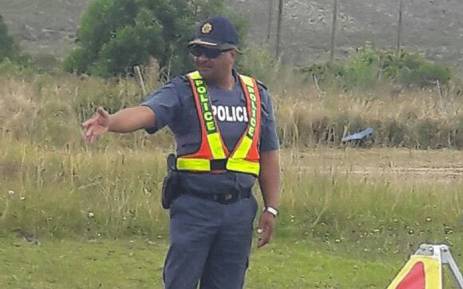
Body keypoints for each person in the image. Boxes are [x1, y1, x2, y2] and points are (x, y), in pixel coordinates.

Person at [82, 16, 280, 289]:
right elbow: (146, 112)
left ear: (231, 54)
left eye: (210, 52)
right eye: (196, 51)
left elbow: (268, 153)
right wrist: (112, 122)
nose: (201, 59)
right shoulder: (183, 90)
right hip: (194, 209)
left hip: (239, 212)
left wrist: (271, 207)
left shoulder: (257, 95)